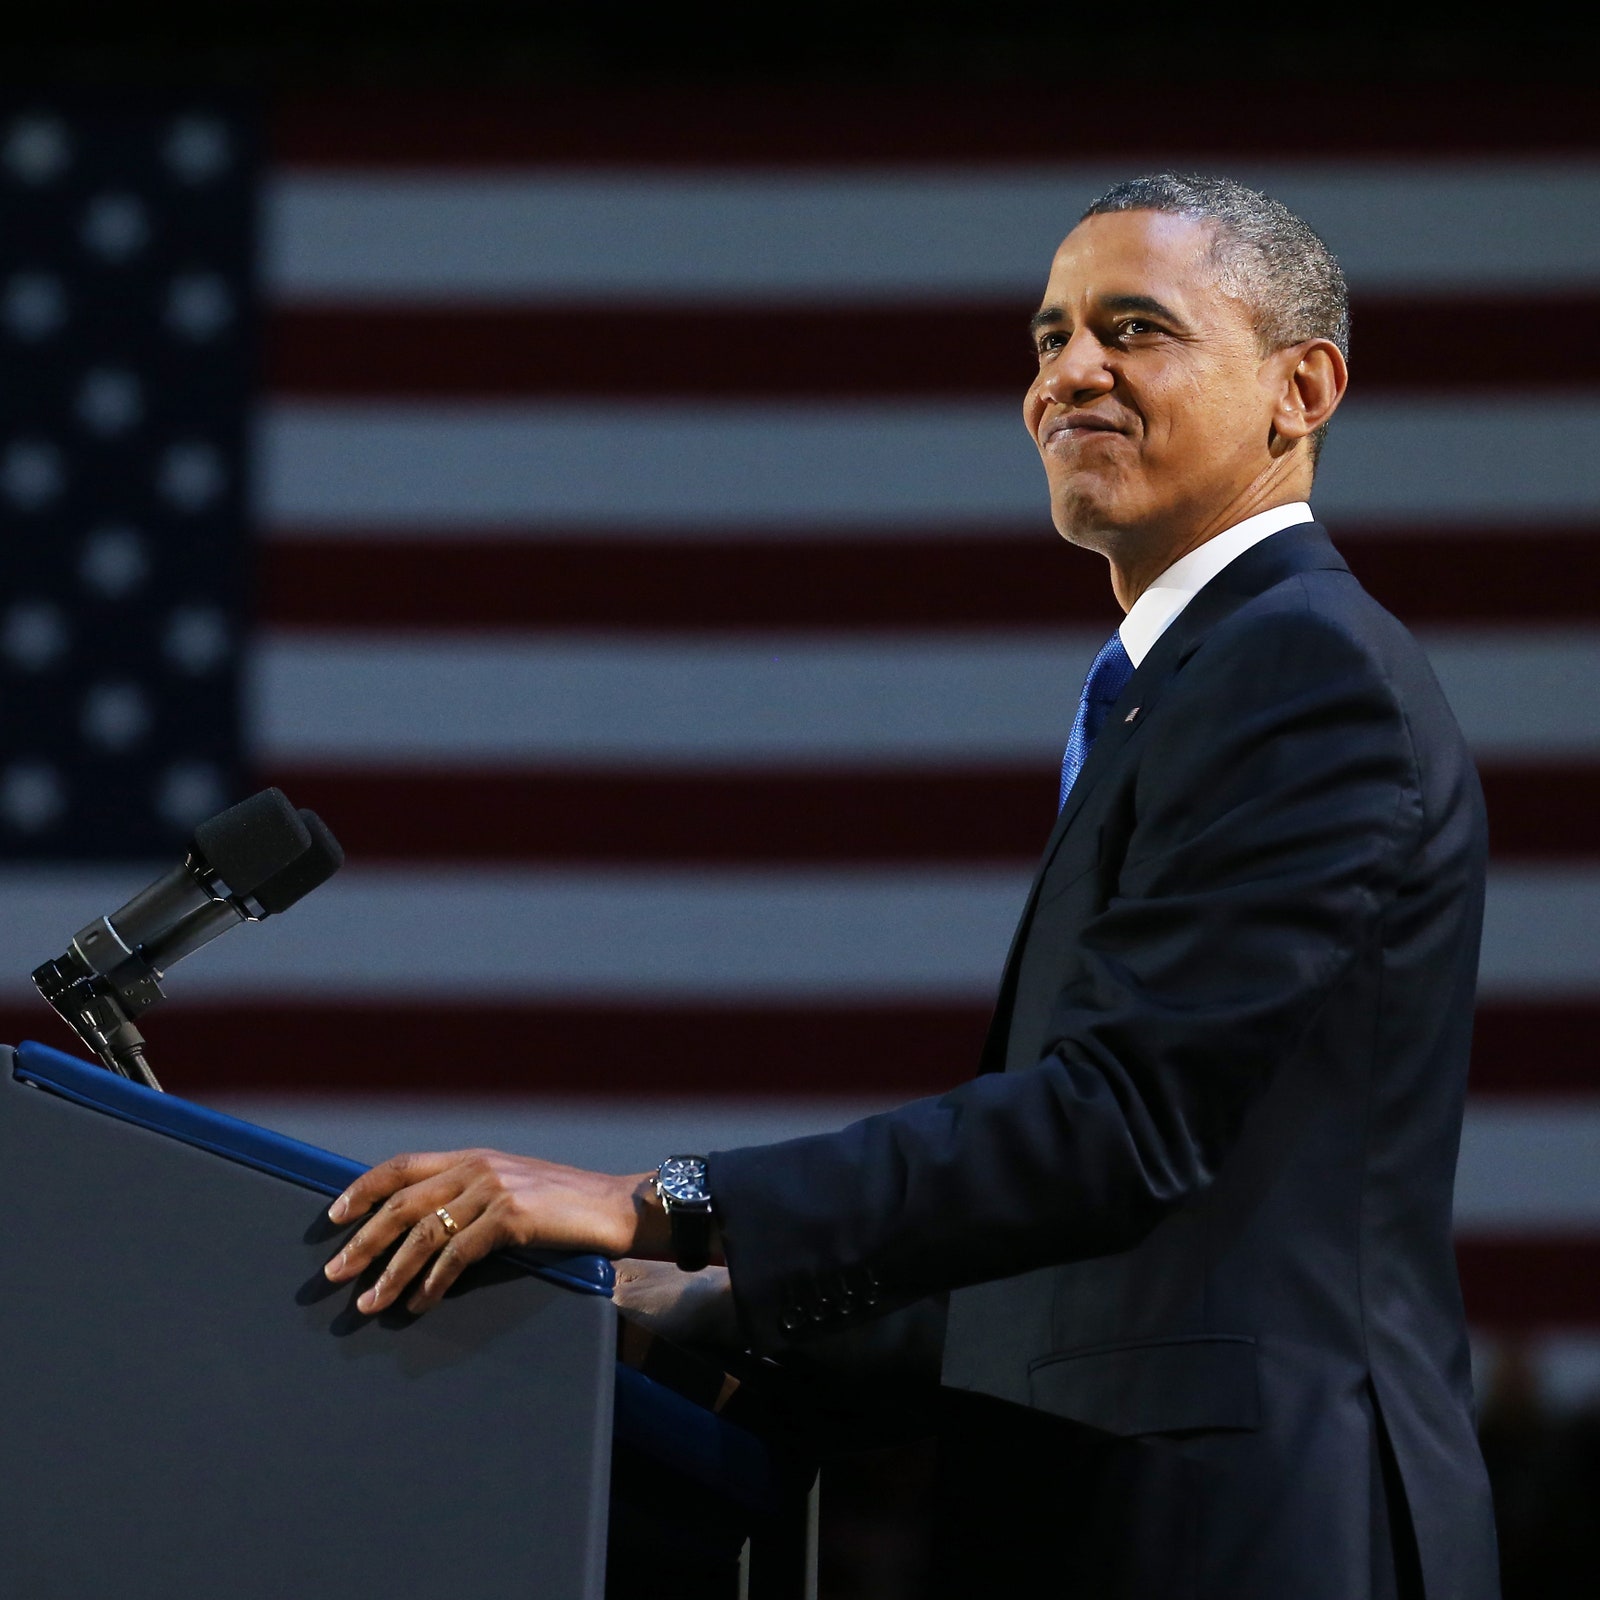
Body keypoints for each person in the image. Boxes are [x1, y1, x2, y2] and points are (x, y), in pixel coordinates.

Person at [320, 174, 1500, 1598]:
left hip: (1251, 1532)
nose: (1071, 372)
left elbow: (1119, 1128)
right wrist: (732, 1305)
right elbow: (1113, 1250)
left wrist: (661, 1203)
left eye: (1136, 329)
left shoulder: (1303, 672)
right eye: (1049, 335)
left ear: (1299, 388)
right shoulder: (1189, 688)